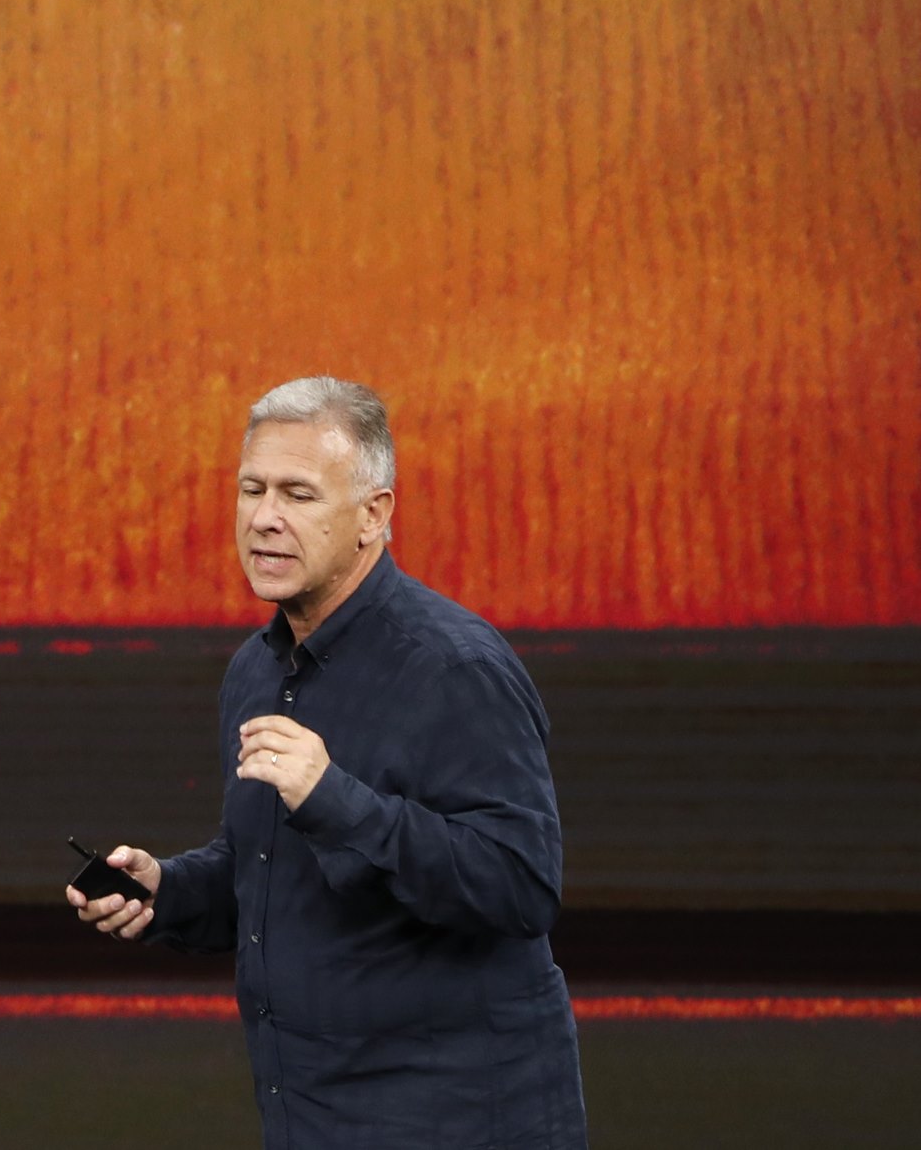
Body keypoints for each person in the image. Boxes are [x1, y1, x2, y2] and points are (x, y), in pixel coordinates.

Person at [69, 376, 584, 1148]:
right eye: (252, 489)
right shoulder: (256, 668)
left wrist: (338, 800)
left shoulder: (455, 665)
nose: (265, 518)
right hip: (311, 1119)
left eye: (299, 494)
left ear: (374, 515)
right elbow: (271, 874)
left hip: (463, 1123)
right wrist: (168, 891)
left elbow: (521, 886)